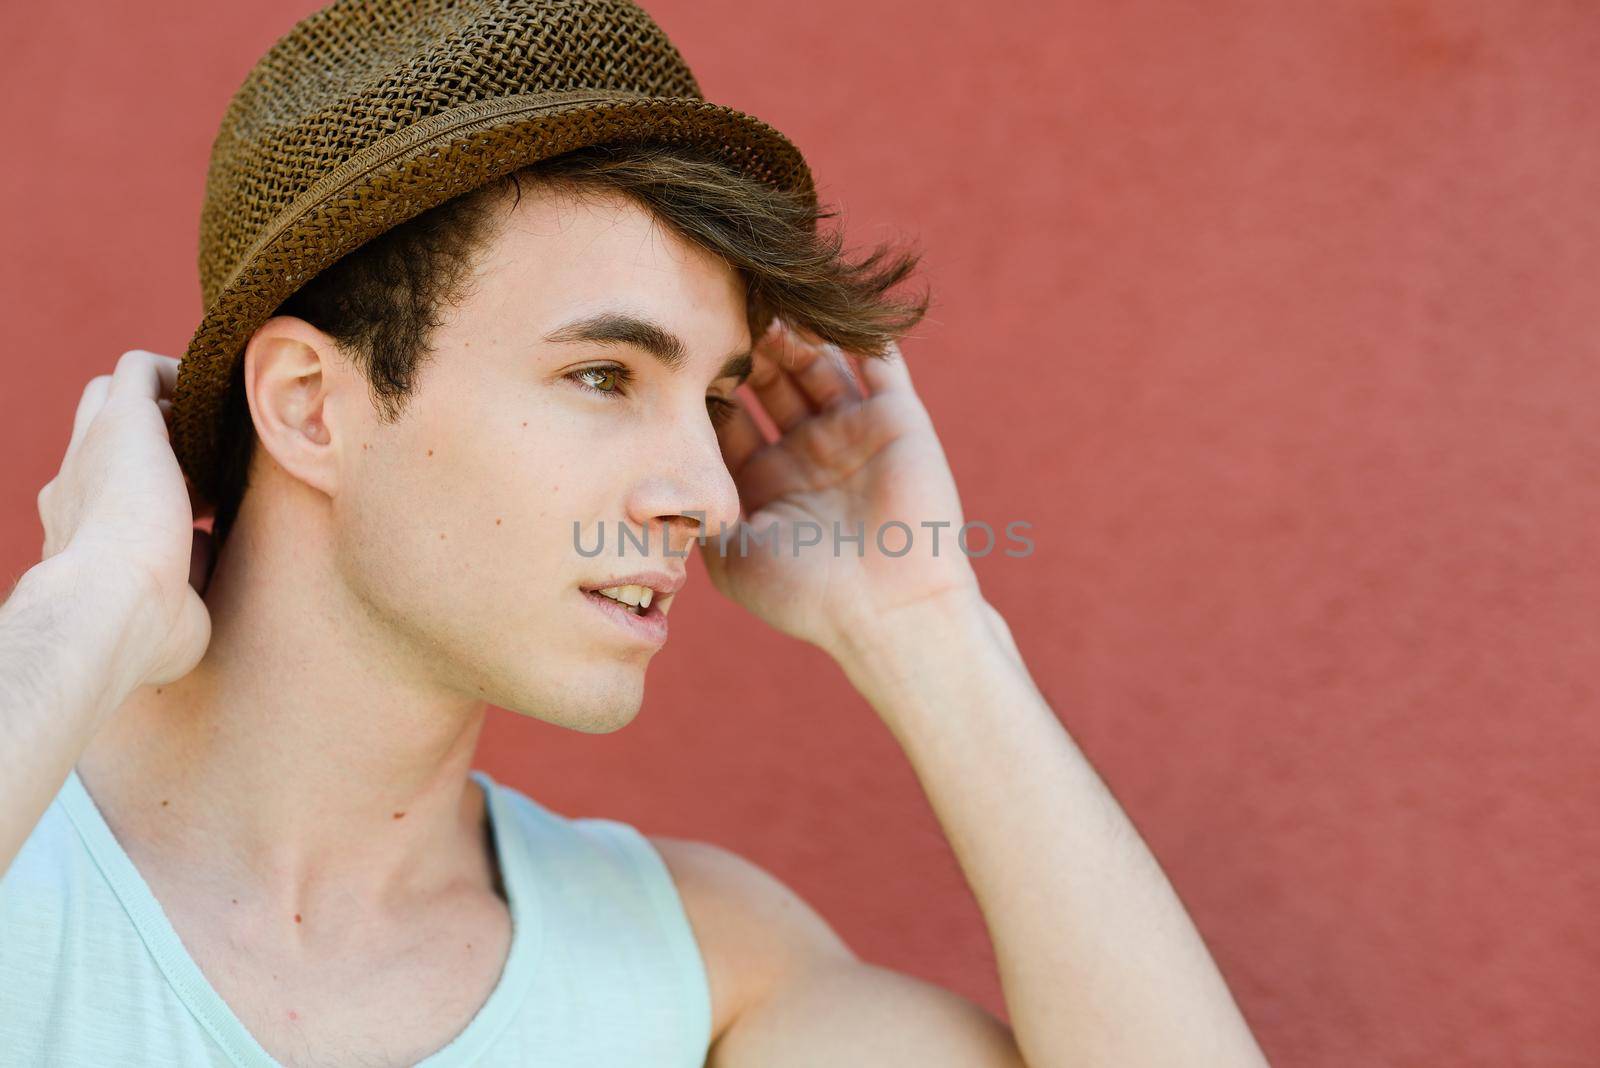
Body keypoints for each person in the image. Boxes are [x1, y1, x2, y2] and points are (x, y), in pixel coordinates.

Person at [1, 3, 1270, 1067]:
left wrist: (924, 620)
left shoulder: (695, 970)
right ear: (311, 407)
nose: (709, 495)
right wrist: (87, 612)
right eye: (604, 376)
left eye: (714, 403)